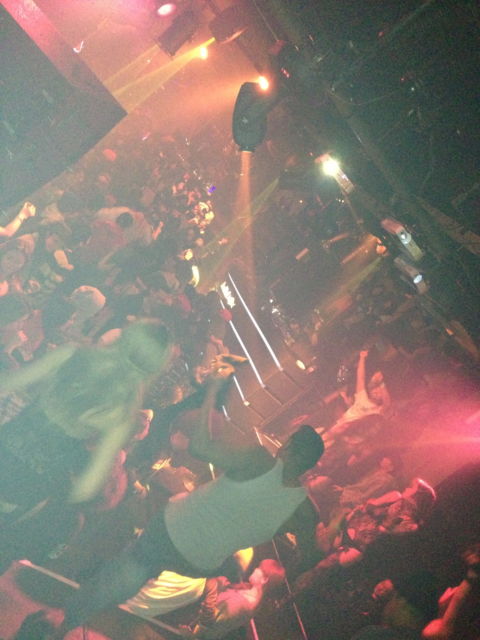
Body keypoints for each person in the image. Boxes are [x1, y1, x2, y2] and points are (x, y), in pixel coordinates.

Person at [29, 355, 324, 637]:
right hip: (199, 563)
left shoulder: (260, 461)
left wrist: (211, 394)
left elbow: (200, 447)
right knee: (139, 574)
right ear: (308, 467)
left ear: (288, 445)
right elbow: (311, 557)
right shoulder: (304, 513)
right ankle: (92, 614)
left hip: (173, 529)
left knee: (130, 570)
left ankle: (62, 621)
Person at [0, 320, 171, 532]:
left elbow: (8, 383)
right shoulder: (123, 411)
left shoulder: (72, 354)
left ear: (126, 336)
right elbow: (86, 488)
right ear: (153, 368)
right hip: (27, 485)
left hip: (6, 445)